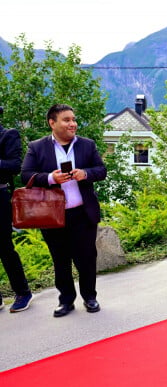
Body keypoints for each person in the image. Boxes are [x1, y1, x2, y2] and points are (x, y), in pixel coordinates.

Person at [21, 104, 107, 317]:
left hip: (82, 213)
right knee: (60, 260)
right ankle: (66, 300)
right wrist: (51, 178)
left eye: (74, 119)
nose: (73, 124)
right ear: (52, 123)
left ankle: (90, 297)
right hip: (52, 215)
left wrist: (85, 174)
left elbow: (101, 170)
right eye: (67, 120)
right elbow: (25, 175)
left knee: (86, 258)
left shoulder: (87, 145)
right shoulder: (37, 146)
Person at [0, 110, 33, 313]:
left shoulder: (8, 134)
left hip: (0, 195)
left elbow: (15, 166)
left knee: (4, 247)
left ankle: (23, 292)